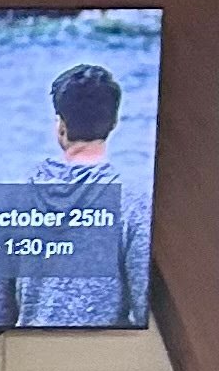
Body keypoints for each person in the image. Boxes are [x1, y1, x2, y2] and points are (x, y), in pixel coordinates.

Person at [15, 63, 151, 329]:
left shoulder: (21, 195)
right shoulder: (132, 201)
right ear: (113, 123)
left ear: (61, 126)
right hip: (101, 351)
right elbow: (143, 302)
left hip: (26, 347)